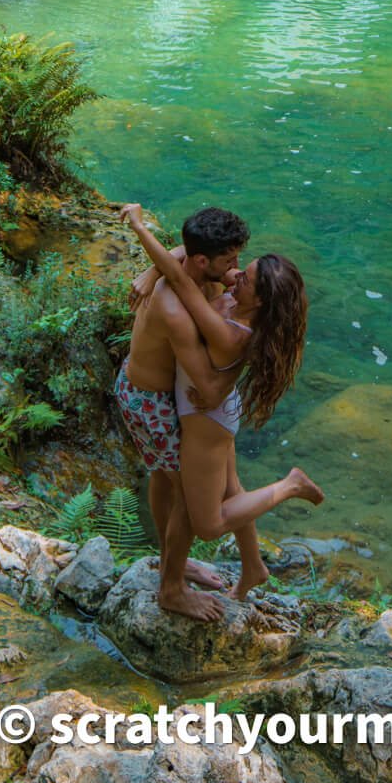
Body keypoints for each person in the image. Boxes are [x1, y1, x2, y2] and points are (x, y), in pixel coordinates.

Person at [121, 202, 323, 601]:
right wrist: (151, 268)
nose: (235, 272)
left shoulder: (218, 313)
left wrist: (139, 227)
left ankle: (173, 585)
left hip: (202, 414)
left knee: (200, 511)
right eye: (232, 262)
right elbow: (183, 259)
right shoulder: (227, 295)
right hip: (178, 407)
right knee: (213, 486)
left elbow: (211, 388)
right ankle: (251, 567)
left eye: (241, 271)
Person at [115, 204, 251, 621]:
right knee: (192, 498)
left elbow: (181, 252)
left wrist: (153, 267)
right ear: (202, 262)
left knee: (165, 478)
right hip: (152, 404)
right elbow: (208, 390)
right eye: (230, 260)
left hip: (141, 389)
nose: (237, 268)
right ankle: (171, 590)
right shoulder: (174, 309)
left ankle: (169, 559)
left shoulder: (197, 267)